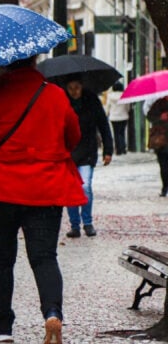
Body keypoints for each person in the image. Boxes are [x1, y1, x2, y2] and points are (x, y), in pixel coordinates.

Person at [0, 55, 86, 344]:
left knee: (0, 258)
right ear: (34, 60)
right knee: (45, 257)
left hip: (1, 189)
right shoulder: (55, 94)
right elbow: (73, 136)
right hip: (45, 188)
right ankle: (52, 313)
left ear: (6, 62)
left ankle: (3, 324)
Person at [63, 76, 113, 238]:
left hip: (87, 151)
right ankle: (75, 225)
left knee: (85, 186)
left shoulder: (92, 100)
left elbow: (103, 125)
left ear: (82, 86)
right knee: (71, 188)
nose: (74, 92)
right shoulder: (62, 101)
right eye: (70, 88)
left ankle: (88, 222)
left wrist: (108, 149)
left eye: (77, 87)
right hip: (68, 152)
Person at [147, 97, 168, 196]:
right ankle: (165, 187)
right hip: (161, 140)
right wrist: (160, 117)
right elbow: (149, 116)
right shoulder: (159, 103)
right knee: (163, 166)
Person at [106, 81, 130, 155]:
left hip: (114, 117)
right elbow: (127, 106)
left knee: (116, 133)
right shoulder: (125, 95)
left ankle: (118, 150)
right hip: (124, 116)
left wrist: (107, 113)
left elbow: (108, 106)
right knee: (122, 133)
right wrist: (127, 111)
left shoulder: (110, 96)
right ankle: (123, 148)